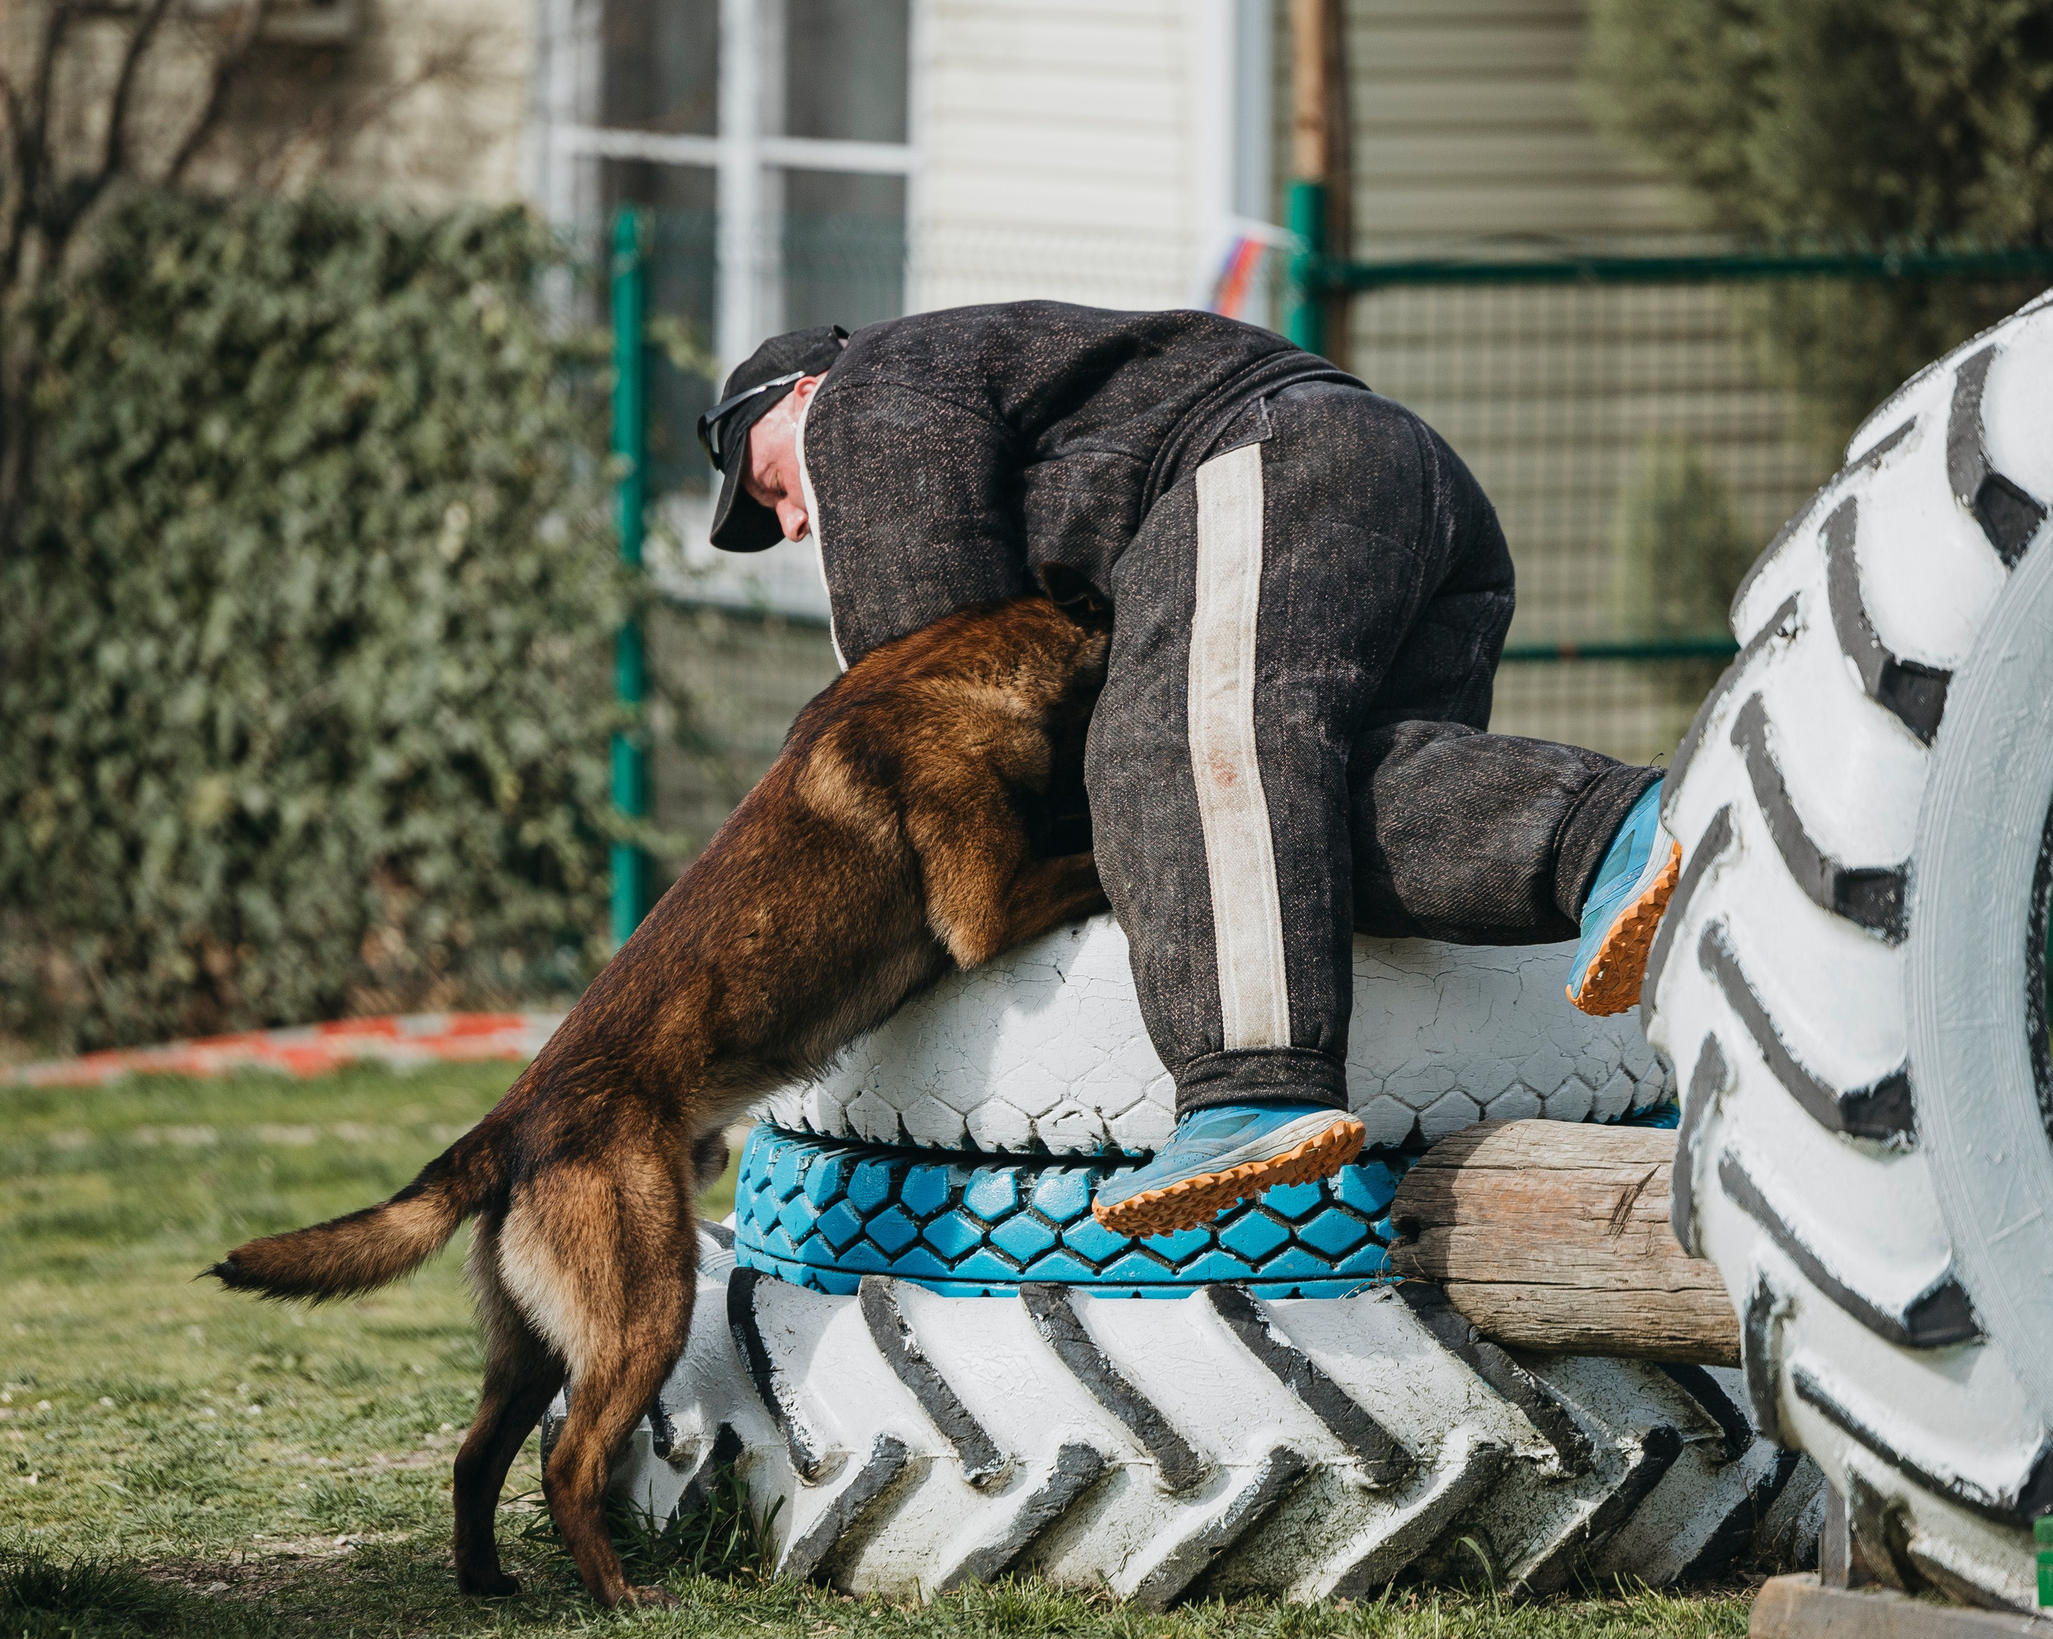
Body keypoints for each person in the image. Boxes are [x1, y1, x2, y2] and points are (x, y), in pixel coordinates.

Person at [696, 305, 1679, 1240]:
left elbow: (925, 670)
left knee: (1164, 750)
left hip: (1278, 458)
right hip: (1401, 497)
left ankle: (1250, 1086)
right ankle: (1612, 841)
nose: (790, 522)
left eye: (769, 486)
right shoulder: (950, 385)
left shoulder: (862, 389)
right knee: (1297, 827)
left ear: (798, 393)